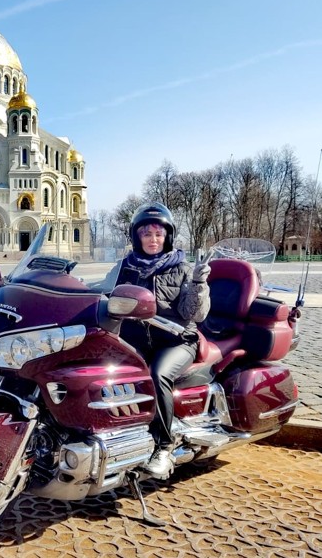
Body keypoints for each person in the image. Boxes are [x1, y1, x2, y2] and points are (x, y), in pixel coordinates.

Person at [104, 202, 211, 479]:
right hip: (136, 339)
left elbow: (195, 314)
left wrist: (199, 284)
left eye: (158, 234)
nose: (152, 239)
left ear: (167, 237)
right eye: (146, 234)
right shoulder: (124, 267)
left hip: (176, 340)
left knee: (157, 374)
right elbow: (102, 293)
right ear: (136, 237)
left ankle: (163, 446)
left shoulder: (182, 268)